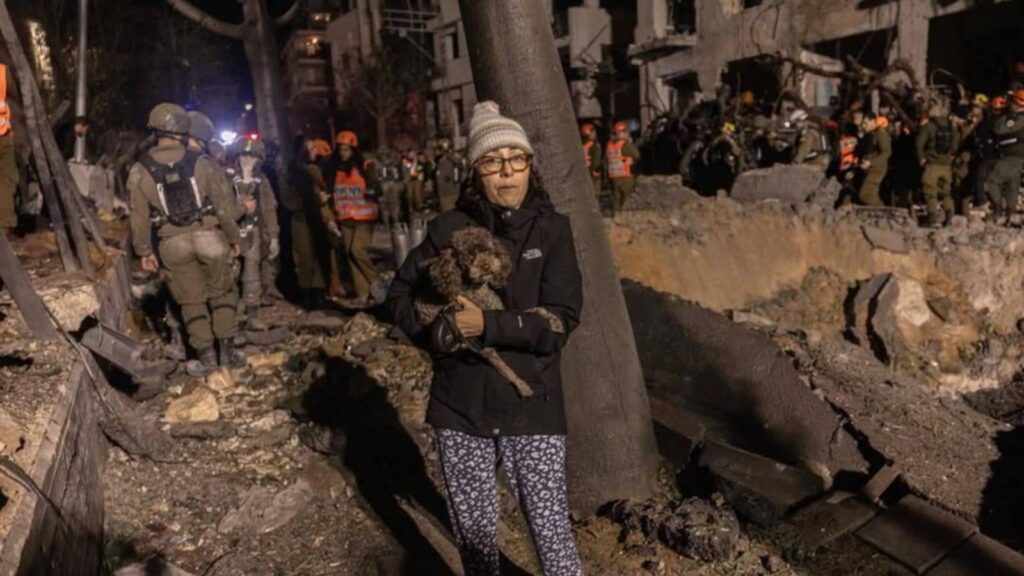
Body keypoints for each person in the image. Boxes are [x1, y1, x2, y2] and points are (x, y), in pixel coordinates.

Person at [388, 101, 583, 576]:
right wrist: (439, 333)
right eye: (492, 161)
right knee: (475, 544)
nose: (507, 172)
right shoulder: (448, 230)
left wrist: (490, 326)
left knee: (553, 536)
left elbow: (562, 318)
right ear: (476, 171)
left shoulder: (553, 230)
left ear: (529, 166)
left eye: (517, 158)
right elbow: (396, 296)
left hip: (531, 401)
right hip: (461, 405)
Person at [128, 103, 241, 374]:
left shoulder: (140, 169)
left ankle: (207, 361)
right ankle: (227, 356)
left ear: (155, 130)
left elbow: (138, 217)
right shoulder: (202, 162)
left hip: (172, 244)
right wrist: (234, 238)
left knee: (191, 302)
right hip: (210, 237)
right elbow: (224, 208)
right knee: (223, 294)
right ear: (183, 129)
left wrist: (144, 252)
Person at [226, 137, 280, 329]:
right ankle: (230, 315)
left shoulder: (262, 181)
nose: (248, 160)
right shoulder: (226, 178)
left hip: (253, 232)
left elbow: (268, 208)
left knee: (251, 275)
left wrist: (273, 237)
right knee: (229, 275)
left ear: (259, 160)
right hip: (229, 234)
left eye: (252, 157)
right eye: (244, 155)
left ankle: (252, 314)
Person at [327, 130, 380, 304]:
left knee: (357, 250)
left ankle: (377, 285)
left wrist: (373, 190)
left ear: (353, 150)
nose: (343, 153)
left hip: (364, 217)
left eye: (347, 150)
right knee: (350, 254)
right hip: (345, 217)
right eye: (341, 149)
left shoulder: (365, 166)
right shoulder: (334, 170)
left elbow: (376, 189)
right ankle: (362, 292)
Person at [282, 136, 334, 309]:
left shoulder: (312, 170)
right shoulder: (291, 173)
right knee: (305, 256)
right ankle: (307, 295)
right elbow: (289, 200)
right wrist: (311, 201)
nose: (315, 152)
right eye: (311, 149)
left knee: (318, 253)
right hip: (301, 218)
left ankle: (318, 292)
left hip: (314, 217)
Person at [916, 103, 961, 227]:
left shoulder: (928, 126)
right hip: (946, 166)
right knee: (946, 192)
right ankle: (949, 215)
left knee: (930, 192)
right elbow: (955, 145)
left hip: (932, 165)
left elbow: (919, 144)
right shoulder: (952, 127)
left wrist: (922, 158)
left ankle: (931, 217)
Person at [986, 90, 1024, 224]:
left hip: (1013, 157)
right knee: (1011, 187)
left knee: (991, 181)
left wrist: (1003, 116)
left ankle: (998, 210)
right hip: (1014, 157)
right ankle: (1011, 215)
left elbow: (999, 129)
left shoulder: (1017, 119)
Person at [856, 113, 891, 207]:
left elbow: (886, 152)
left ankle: (881, 210)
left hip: (877, 169)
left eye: (865, 123)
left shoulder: (880, 134)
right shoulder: (870, 134)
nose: (863, 126)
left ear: (873, 122)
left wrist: (871, 162)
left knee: (866, 194)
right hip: (868, 167)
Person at [606, 121, 639, 214]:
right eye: (626, 132)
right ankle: (625, 219)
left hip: (614, 177)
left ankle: (616, 217)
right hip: (626, 177)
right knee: (626, 200)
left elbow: (606, 161)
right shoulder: (626, 145)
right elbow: (637, 156)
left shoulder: (610, 145)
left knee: (616, 200)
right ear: (623, 132)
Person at [0, 63, 16, 234]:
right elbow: (17, 96)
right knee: (5, 181)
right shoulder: (3, 71)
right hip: (3, 134)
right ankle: (3, 227)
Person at [434, 138, 461, 213]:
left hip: (449, 192)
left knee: (449, 212)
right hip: (443, 192)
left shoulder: (450, 160)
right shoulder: (441, 161)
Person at [580, 123, 602, 194]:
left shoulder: (581, 145)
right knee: (595, 194)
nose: (595, 134)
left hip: (584, 173)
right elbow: (596, 161)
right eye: (593, 132)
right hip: (593, 174)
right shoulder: (594, 146)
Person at [402, 148, 426, 215]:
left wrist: (421, 180)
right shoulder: (405, 161)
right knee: (410, 196)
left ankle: (419, 209)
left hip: (417, 181)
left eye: (414, 153)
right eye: (411, 153)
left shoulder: (418, 161)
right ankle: (410, 209)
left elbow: (421, 170)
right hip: (409, 181)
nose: (413, 155)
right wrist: (415, 161)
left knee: (418, 196)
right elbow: (410, 169)